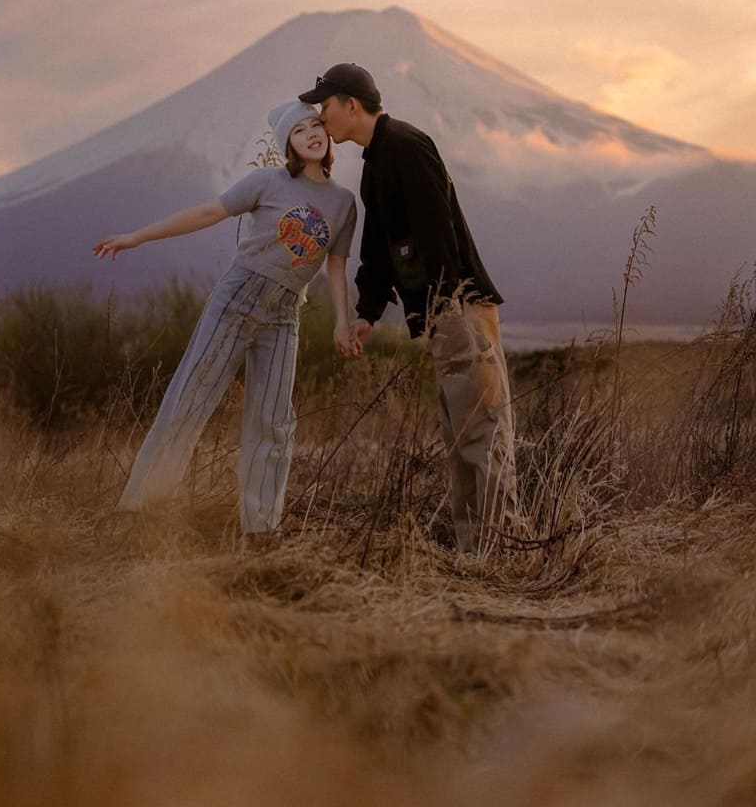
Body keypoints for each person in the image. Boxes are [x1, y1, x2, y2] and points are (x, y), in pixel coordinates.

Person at [92, 100, 359, 543]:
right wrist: (137, 237)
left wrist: (340, 324)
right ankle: (140, 512)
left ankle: (261, 529)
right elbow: (207, 214)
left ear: (327, 135)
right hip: (236, 299)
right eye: (299, 130)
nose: (312, 133)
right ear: (287, 145)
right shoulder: (266, 182)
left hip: (284, 315)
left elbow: (335, 267)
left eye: (316, 125)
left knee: (273, 420)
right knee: (190, 399)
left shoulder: (343, 203)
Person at [299, 65, 516, 554]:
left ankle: (499, 552)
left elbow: (437, 232)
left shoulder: (405, 146)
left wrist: (443, 305)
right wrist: (367, 314)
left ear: (352, 105)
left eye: (325, 105)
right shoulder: (378, 161)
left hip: (457, 307)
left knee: (480, 431)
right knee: (460, 435)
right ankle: (473, 551)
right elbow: (379, 247)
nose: (321, 115)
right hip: (444, 314)